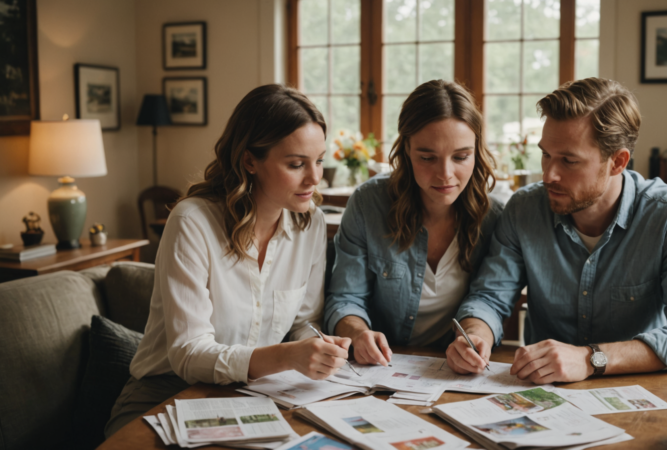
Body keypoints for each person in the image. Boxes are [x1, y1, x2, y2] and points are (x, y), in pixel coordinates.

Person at [105, 85, 351, 437]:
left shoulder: (308, 222)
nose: (315, 178)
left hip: (254, 394)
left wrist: (317, 347)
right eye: (296, 164)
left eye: (320, 160)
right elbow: (188, 355)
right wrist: (286, 357)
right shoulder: (193, 222)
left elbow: (303, 321)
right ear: (250, 160)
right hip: (164, 396)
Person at [448, 77, 667, 382]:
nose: (549, 174)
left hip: (640, 395)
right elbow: (490, 297)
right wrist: (475, 334)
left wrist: (590, 358)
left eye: (569, 160)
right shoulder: (524, 209)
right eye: (546, 155)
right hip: (544, 395)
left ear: (617, 162)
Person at [324, 80, 503, 366]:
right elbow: (346, 297)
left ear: (477, 152)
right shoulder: (368, 204)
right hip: (380, 368)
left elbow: (490, 298)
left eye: (461, 156)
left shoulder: (494, 216)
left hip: (452, 372)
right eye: (427, 157)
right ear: (406, 149)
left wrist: (474, 336)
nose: (445, 174)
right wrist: (358, 334)